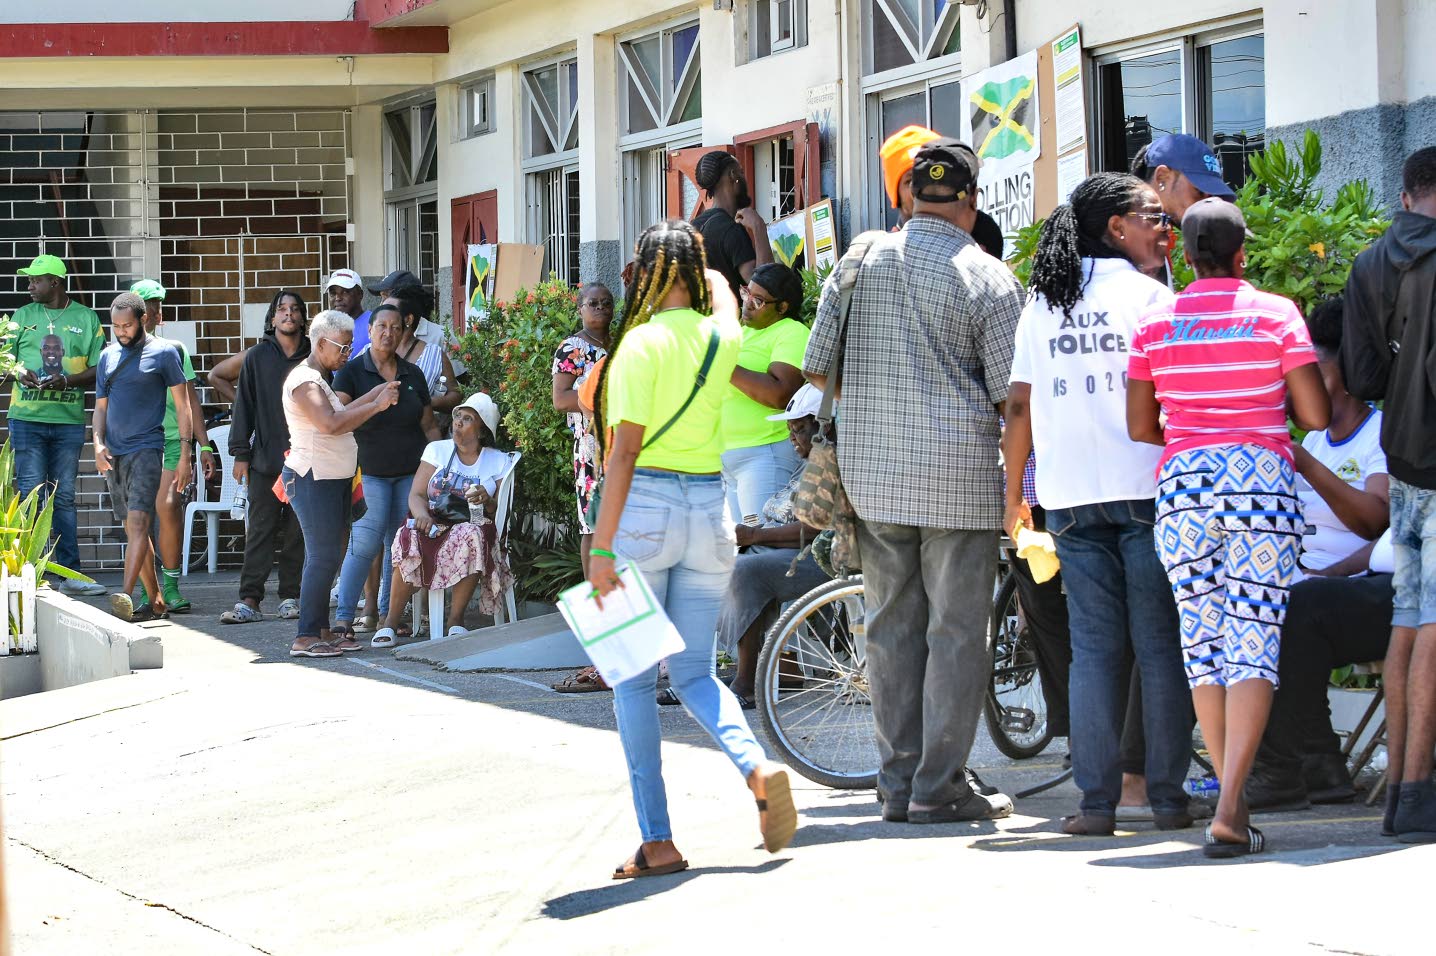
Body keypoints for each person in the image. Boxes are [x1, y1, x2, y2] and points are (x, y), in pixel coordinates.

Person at [804, 138, 1023, 825]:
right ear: (971, 202)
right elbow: (1011, 397)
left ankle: (896, 783)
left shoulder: (858, 260)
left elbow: (815, 369)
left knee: (890, 630)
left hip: (874, 480)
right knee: (957, 633)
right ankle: (939, 786)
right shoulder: (989, 278)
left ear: (903, 196)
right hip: (960, 482)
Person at [587, 218, 797, 878]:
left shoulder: (638, 348)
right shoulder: (724, 334)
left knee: (630, 676)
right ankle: (756, 766)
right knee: (697, 675)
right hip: (712, 511)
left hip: (643, 510)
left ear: (645, 275)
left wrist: (600, 547)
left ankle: (657, 840)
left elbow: (622, 454)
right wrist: (695, 264)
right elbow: (722, 293)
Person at [1127, 197, 1330, 857]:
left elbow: (1138, 426)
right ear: (1243, 254)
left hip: (1183, 486)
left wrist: (1194, 435)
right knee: (1254, 642)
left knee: (1203, 645)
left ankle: (1229, 803)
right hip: (1260, 488)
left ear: (1185, 258)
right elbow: (1315, 416)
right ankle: (1233, 805)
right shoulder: (1276, 314)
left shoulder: (1155, 323)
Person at [1003, 172, 1192, 835]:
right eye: (1151, 217)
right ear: (1116, 228)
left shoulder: (1041, 304)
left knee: (1094, 652)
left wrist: (1013, 499)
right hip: (1146, 488)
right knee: (1161, 646)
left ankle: (1096, 805)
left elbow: (1020, 406)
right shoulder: (1149, 296)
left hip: (1070, 498)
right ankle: (1167, 798)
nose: (1163, 228)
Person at [1119, 131, 1237, 816]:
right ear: (1162, 181)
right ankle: (1138, 780)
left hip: (1171, 478)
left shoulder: (1163, 272)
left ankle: (1141, 776)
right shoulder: (1133, 278)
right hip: (1145, 476)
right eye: (1199, 195)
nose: (1204, 214)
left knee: (1161, 634)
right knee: (1159, 636)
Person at [1244, 296, 1390, 811]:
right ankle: (1310, 763)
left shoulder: (1380, 433)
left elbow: (1375, 523)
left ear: (1342, 374)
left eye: (1314, 372)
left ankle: (1298, 767)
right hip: (1314, 587)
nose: (1300, 385)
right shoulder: (1317, 439)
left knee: (1300, 608)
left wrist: (1305, 465)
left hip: (1373, 591)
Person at [1341, 145, 1436, 841]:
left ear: (1405, 196)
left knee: (1409, 625)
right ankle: (1417, 790)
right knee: (1432, 629)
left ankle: (1399, 797)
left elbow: (1364, 378)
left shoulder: (1370, 261)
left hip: (1403, 464)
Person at [281, 309, 399, 658]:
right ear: (320, 343)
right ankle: (305, 636)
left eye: (350, 347)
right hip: (311, 476)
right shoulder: (304, 381)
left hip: (331, 477)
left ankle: (320, 629)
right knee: (322, 556)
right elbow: (332, 423)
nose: (348, 354)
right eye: (343, 347)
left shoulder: (319, 378)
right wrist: (376, 406)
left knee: (329, 556)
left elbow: (341, 415)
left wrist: (374, 394)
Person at [328, 304, 440, 645]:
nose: (388, 333)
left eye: (395, 327)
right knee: (363, 544)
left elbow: (429, 425)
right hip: (370, 473)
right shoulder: (352, 372)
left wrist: (439, 465)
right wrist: (376, 397)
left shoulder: (412, 374)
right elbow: (338, 414)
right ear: (371, 331)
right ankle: (345, 618)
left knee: (399, 546)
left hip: (410, 475)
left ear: (403, 330)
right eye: (382, 327)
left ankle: (388, 618)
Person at [718, 383, 830, 706]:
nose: (793, 437)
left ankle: (747, 682)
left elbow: (813, 529)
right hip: (793, 550)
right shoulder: (809, 462)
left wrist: (756, 537)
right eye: (790, 430)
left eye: (800, 429)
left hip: (820, 557)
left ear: (822, 425)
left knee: (747, 569)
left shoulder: (827, 462)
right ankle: (720, 673)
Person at [375, 392, 514, 645]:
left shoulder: (498, 461)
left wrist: (488, 500)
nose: (458, 422)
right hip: (432, 520)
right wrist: (422, 516)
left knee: (472, 535)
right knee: (409, 535)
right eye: (457, 416)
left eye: (468, 418)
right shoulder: (437, 450)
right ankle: (390, 624)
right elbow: (416, 495)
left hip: (472, 525)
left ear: (482, 431)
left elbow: (499, 512)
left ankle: (455, 621)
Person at [5, 255, 107, 595]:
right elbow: (5, 359)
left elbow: (101, 367)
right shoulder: (22, 316)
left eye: (36, 280)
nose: (29, 286)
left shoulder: (87, 318)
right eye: (29, 280)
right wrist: (18, 371)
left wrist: (69, 381)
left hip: (66, 422)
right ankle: (31, 574)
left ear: (56, 282)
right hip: (27, 421)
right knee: (31, 496)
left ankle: (70, 575)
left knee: (62, 498)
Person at [93, 292, 192, 621]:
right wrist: (97, 443)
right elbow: (100, 408)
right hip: (114, 454)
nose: (121, 331)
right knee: (133, 530)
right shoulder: (107, 357)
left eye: (128, 325)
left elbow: (183, 406)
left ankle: (123, 597)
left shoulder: (164, 353)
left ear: (143, 320)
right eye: (116, 326)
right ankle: (156, 599)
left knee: (138, 523)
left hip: (148, 449)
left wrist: (186, 452)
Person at [222, 291, 310, 625]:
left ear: (303, 318)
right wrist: (240, 453)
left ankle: (290, 596)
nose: (288, 315)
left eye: (295, 310)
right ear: (273, 319)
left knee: (298, 532)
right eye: (281, 310)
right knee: (260, 529)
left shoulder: (313, 357)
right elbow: (242, 405)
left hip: (306, 458)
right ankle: (249, 599)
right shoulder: (257, 356)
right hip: (265, 459)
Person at [130, 279, 216, 614]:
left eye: (157, 304)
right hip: (135, 446)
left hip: (171, 440)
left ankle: (170, 585)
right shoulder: (117, 353)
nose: (155, 311)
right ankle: (146, 590)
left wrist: (204, 446)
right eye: (149, 304)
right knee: (139, 516)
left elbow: (191, 402)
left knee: (168, 507)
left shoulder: (174, 350)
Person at [550, 283, 615, 695]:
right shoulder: (572, 347)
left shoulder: (623, 338)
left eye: (607, 303)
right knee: (593, 527)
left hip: (623, 439)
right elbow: (560, 400)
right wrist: (605, 397)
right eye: (593, 303)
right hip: (592, 445)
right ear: (579, 308)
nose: (601, 309)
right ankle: (597, 597)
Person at [723, 263, 808, 524]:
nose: (747, 303)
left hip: (763, 455)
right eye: (746, 293)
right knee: (743, 548)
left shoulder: (792, 332)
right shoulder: (743, 331)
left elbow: (781, 394)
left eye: (758, 300)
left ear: (782, 307)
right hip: (727, 457)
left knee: (762, 543)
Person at [692, 151, 771, 298]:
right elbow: (764, 285)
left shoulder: (694, 225)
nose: (744, 178)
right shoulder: (731, 229)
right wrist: (759, 227)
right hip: (732, 317)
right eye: (741, 172)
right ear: (733, 175)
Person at [386, 285, 462, 414]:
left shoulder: (434, 354)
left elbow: (456, 394)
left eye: (390, 312)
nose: (382, 316)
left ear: (408, 319)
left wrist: (425, 401)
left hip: (421, 430)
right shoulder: (370, 350)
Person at [326, 268, 371, 353]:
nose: (338, 298)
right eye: (333, 293)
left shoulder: (374, 322)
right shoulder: (327, 327)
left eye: (345, 292)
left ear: (360, 294)